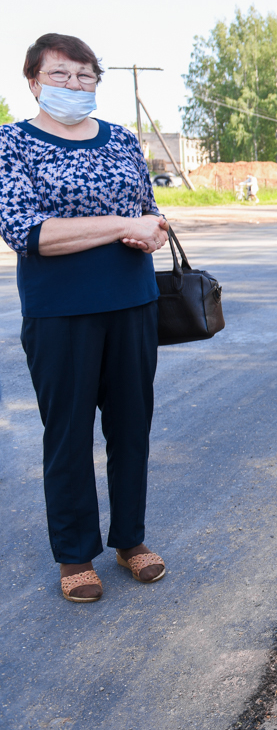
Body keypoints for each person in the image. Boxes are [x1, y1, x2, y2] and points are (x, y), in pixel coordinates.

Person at [0, 33, 170, 602]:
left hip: (132, 305)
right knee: (68, 435)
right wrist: (119, 225)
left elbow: (146, 212)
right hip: (60, 313)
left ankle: (131, 540)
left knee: (131, 428)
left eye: (85, 76)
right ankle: (76, 554)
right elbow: (28, 233)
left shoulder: (121, 140)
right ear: (33, 82)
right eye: (60, 75)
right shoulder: (12, 144)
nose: (74, 85)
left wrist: (151, 230)